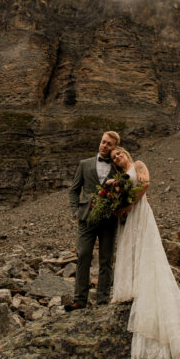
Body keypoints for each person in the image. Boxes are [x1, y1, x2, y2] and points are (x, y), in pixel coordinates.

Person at [110, 146, 180, 359]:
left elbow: (144, 183)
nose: (117, 157)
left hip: (140, 210)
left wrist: (131, 203)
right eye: (113, 157)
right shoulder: (119, 177)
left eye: (119, 154)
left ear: (126, 153)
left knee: (144, 246)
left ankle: (143, 286)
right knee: (129, 245)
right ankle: (130, 286)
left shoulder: (138, 165)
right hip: (130, 214)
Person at [67, 130, 121, 310]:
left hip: (109, 218)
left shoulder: (118, 167)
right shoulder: (84, 164)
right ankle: (79, 300)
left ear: (115, 148)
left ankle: (103, 299)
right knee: (83, 255)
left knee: (106, 258)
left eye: (109, 144)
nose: (104, 146)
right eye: (103, 142)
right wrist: (75, 211)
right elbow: (73, 190)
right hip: (86, 217)